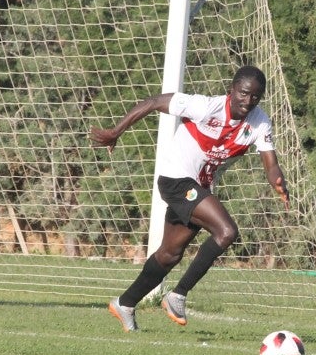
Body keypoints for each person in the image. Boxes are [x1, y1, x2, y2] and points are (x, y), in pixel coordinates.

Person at [91, 65, 289, 331]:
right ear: (232, 90)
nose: (248, 101)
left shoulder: (260, 121)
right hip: (176, 180)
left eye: (255, 96)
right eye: (244, 93)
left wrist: (277, 180)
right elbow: (154, 102)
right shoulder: (204, 107)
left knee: (169, 254)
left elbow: (270, 163)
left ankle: (124, 303)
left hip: (199, 188)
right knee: (227, 231)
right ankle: (178, 294)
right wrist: (116, 131)